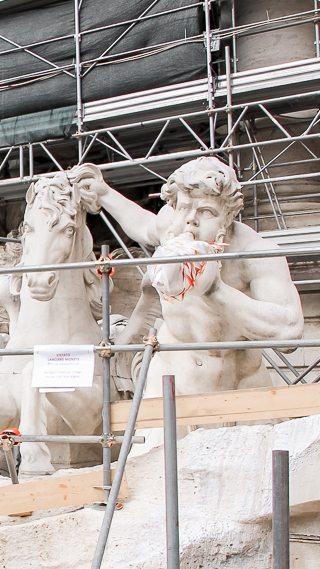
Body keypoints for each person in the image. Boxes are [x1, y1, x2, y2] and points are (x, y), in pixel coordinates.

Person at [85, 156, 304, 395]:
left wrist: (215, 291)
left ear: (227, 218)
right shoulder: (172, 227)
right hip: (170, 377)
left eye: (207, 211)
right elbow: (141, 222)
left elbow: (289, 331)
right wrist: (104, 193)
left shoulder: (253, 253)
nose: (191, 219)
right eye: (184, 207)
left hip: (239, 386)